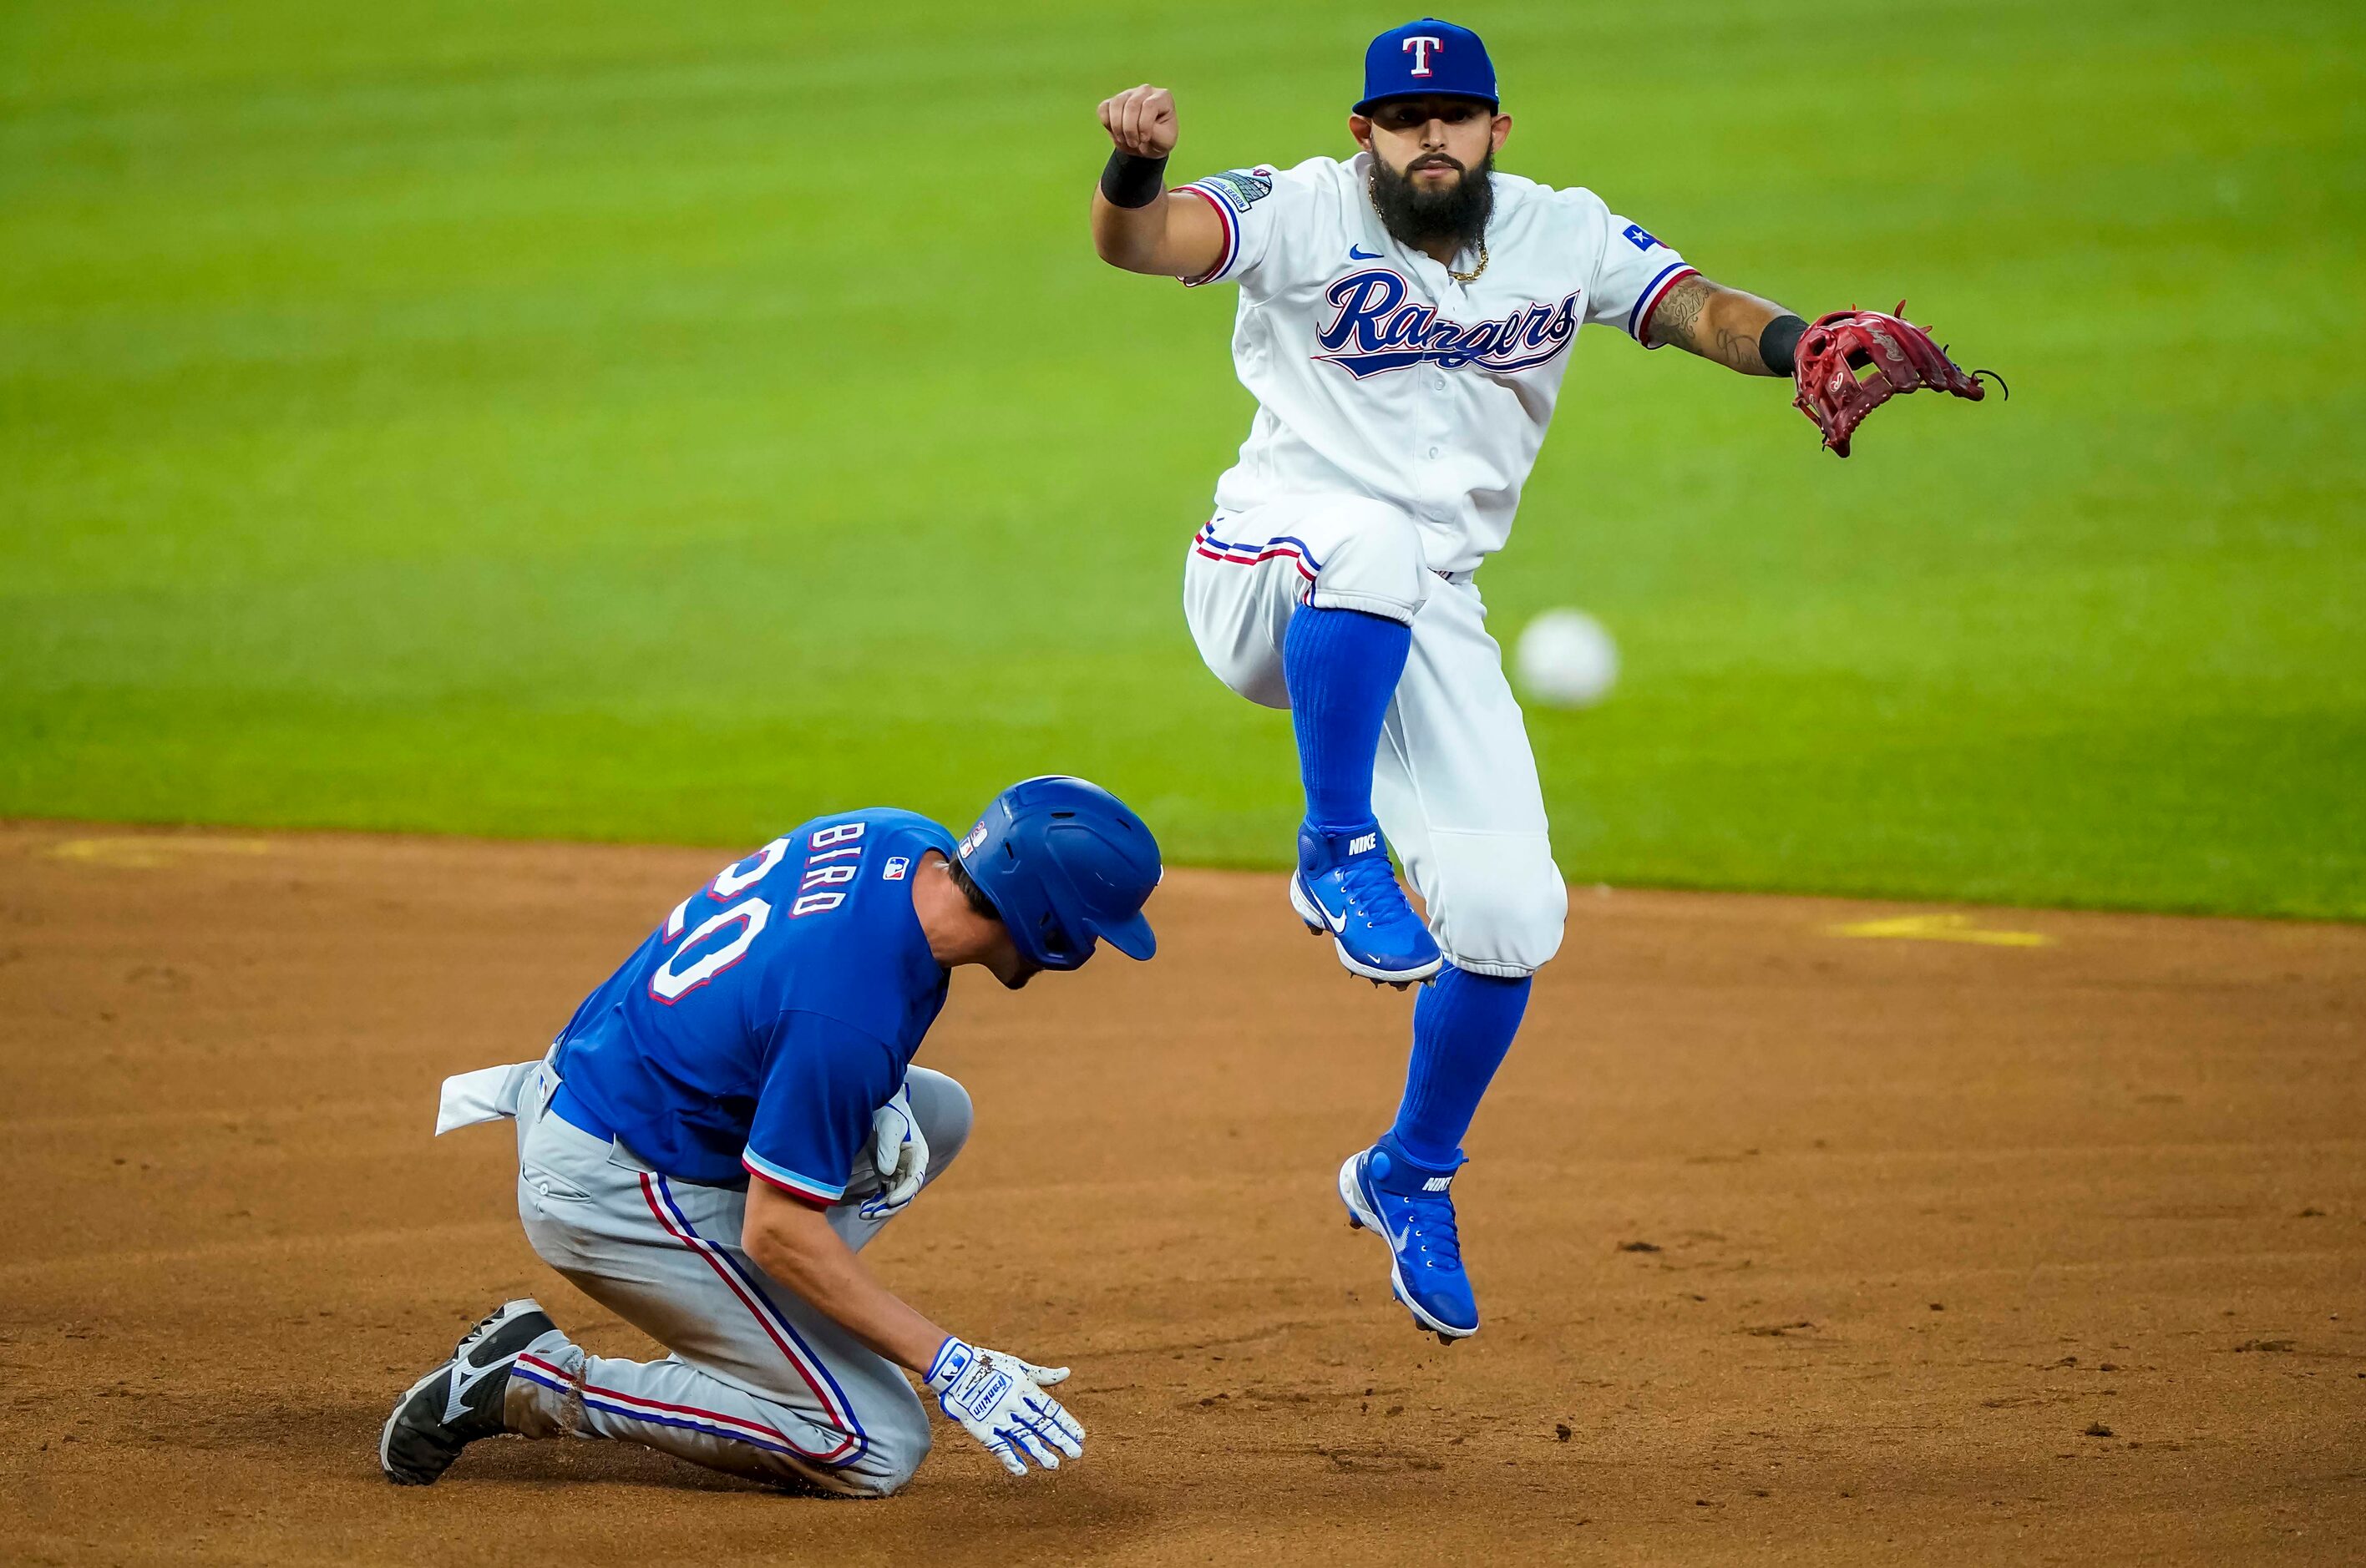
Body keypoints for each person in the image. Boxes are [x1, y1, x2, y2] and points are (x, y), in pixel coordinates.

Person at [1089, 19, 1971, 1343]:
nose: (1427, 134)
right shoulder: (1303, 210)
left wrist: (1794, 339)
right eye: (1401, 115)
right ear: (1362, 131)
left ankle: (1409, 1171)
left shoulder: (1566, 233)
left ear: (1499, 128)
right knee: (1373, 543)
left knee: (1509, 917)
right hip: (1267, 572)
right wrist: (1134, 172)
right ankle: (1334, 849)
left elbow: (1692, 310)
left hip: (1419, 609)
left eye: (1453, 115)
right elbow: (1144, 246)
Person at [378, 776, 1163, 1496]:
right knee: (874, 1444)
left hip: (620, 1084)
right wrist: (950, 1363)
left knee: (936, 1114)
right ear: (1047, 921)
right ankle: (532, 1375)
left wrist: (879, 1091)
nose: (1090, 949)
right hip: (607, 1185)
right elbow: (778, 1230)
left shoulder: (899, 838)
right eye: (1090, 928)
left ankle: (754, 1340)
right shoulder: (844, 1019)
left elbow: (787, 986)